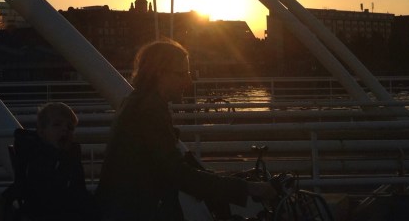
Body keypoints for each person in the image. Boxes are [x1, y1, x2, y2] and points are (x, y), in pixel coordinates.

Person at [96, 40, 275, 221]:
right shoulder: (149, 110)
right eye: (182, 74)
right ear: (160, 74)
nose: (189, 81)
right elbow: (178, 174)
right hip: (137, 211)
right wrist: (248, 188)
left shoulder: (137, 102)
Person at [0, 102, 98, 221]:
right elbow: (46, 196)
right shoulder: (38, 158)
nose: (65, 130)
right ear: (41, 132)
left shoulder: (69, 157)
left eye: (70, 127)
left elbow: (79, 190)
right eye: (57, 125)